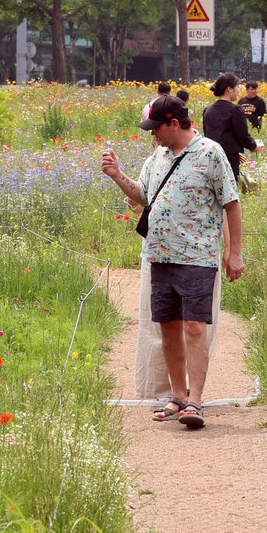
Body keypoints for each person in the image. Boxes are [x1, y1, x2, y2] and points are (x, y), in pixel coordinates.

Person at [101, 97, 243, 429]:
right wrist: (117, 175)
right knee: (168, 328)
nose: (153, 135)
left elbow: (232, 203)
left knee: (194, 327)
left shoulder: (211, 153)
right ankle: (177, 396)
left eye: (156, 129)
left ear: (174, 124)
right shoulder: (157, 157)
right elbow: (142, 195)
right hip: (159, 255)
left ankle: (196, 400)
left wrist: (234, 251)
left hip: (198, 257)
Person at [202, 72, 261, 183]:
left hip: (211, 157)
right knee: (229, 188)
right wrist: (253, 146)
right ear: (229, 89)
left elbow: (209, 135)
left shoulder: (208, 110)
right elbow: (242, 136)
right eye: (237, 87)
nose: (239, 90)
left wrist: (236, 152)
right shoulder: (235, 110)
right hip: (228, 158)